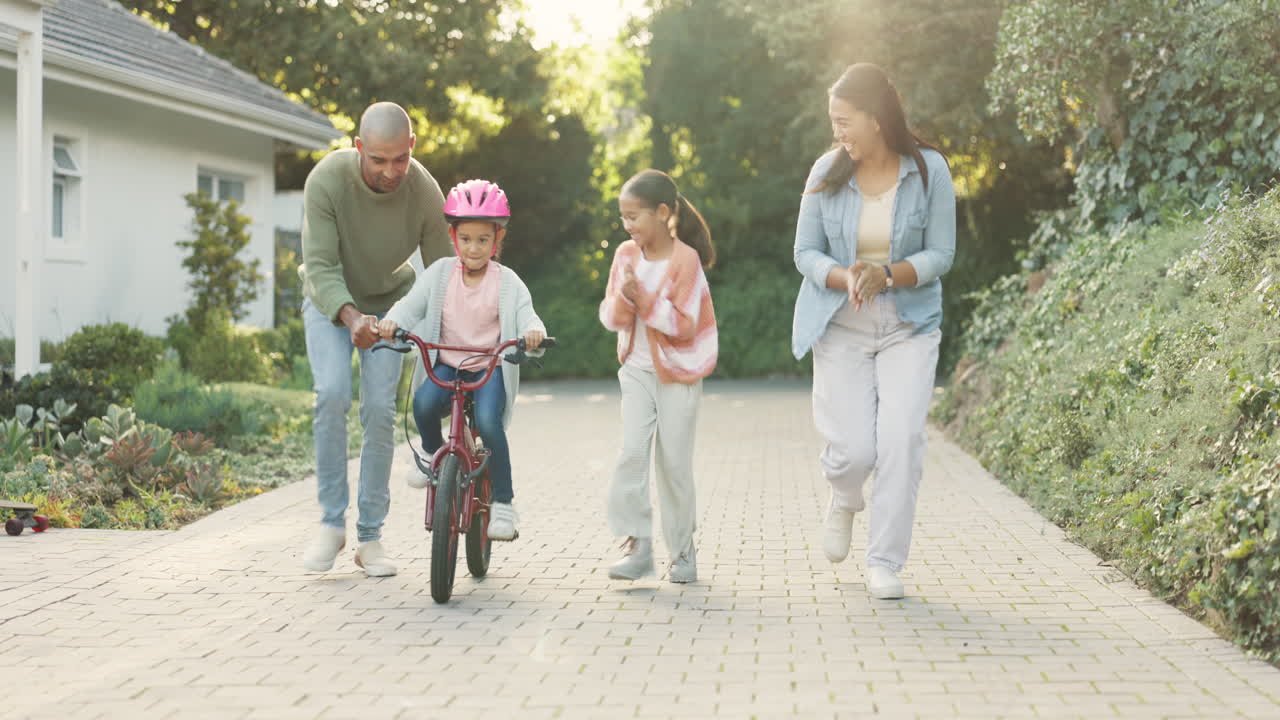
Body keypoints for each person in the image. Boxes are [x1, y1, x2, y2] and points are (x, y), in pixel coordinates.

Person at [791, 63, 956, 599]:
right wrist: (848, 278)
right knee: (854, 453)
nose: (837, 133)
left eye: (844, 121)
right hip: (841, 322)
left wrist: (886, 275)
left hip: (908, 322)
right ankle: (844, 496)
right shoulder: (826, 171)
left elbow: (941, 254)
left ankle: (884, 561)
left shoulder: (929, 170)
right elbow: (804, 253)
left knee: (901, 440)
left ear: (876, 118)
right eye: (833, 123)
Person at [300, 102, 452, 577]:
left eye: (400, 159)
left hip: (391, 304)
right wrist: (350, 317)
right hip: (331, 301)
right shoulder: (327, 180)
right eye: (378, 160)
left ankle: (370, 537)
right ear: (359, 148)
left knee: (381, 410)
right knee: (331, 395)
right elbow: (321, 267)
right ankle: (331, 524)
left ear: (412, 147)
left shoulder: (424, 191)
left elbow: (444, 273)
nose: (391, 172)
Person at [377, 179, 546, 541]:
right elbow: (410, 305)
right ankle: (429, 452)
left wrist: (532, 333)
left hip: (488, 368)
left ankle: (503, 503)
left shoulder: (508, 282)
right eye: (466, 238)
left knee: (488, 423)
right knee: (422, 405)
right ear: (453, 237)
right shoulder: (439, 274)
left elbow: (528, 315)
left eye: (483, 240)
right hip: (448, 363)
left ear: (496, 241)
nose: (474, 247)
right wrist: (394, 322)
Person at [599, 169, 718, 584]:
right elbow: (610, 316)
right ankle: (639, 546)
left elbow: (685, 324)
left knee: (673, 465)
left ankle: (683, 551)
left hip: (679, 375)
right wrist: (624, 300)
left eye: (634, 216)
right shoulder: (625, 256)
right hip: (636, 370)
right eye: (623, 218)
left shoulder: (685, 261)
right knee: (631, 453)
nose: (627, 225)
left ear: (662, 212)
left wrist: (643, 299)